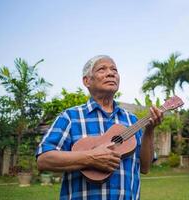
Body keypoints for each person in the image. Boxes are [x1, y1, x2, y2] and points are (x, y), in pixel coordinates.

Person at [36, 55, 163, 200]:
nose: (111, 73)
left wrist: (150, 130)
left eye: (114, 69)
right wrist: (90, 158)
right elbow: (44, 159)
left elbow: (145, 167)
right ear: (87, 81)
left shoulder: (132, 120)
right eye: (102, 69)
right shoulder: (70, 117)